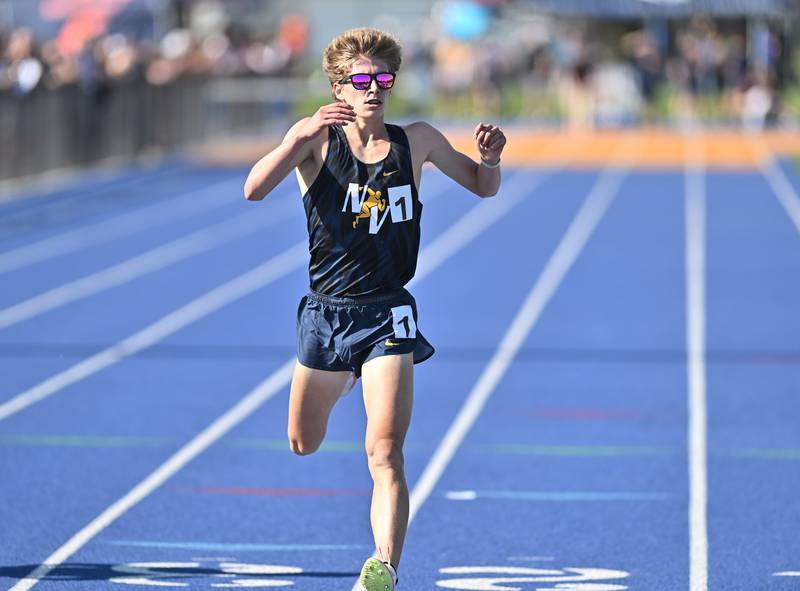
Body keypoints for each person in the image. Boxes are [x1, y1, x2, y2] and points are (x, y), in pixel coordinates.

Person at [243, 27, 506, 591]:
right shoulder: (315, 141)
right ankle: (340, 381)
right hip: (328, 314)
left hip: (389, 313)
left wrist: (491, 160)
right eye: (361, 80)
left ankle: (382, 570)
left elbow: (482, 187)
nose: (374, 90)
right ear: (339, 86)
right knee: (302, 442)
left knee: (384, 453)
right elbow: (253, 188)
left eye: (383, 79)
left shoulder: (419, 141)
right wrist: (298, 140)